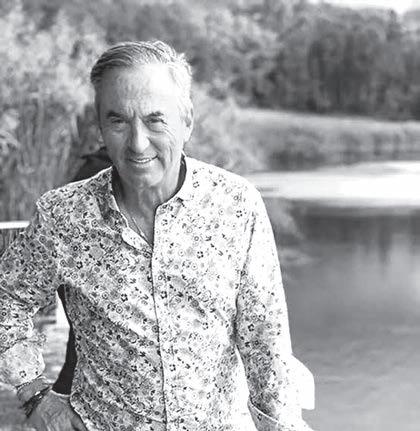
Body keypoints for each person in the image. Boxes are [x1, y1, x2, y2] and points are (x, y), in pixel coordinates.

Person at [0, 40, 315, 431]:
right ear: (101, 128)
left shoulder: (236, 205)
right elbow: (6, 300)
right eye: (118, 121)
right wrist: (34, 394)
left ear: (187, 121)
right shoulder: (63, 215)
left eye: (155, 120)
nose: (137, 143)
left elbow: (266, 346)